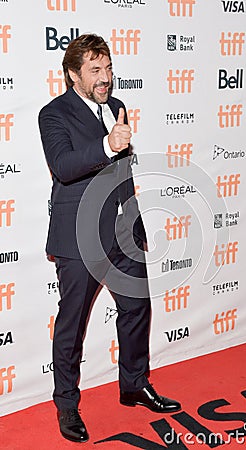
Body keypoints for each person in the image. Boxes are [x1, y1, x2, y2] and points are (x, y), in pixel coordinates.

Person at [38, 33, 181, 444]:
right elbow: (63, 166)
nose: (106, 78)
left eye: (109, 68)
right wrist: (106, 144)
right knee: (72, 325)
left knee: (137, 310)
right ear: (73, 75)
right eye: (95, 71)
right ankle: (66, 403)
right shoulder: (53, 114)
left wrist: (134, 222)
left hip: (122, 233)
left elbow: (122, 171)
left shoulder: (115, 106)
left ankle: (134, 384)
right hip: (79, 238)